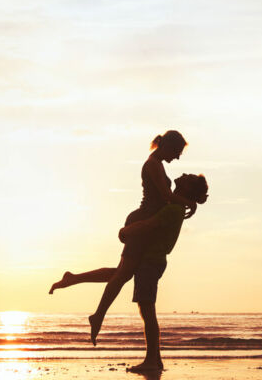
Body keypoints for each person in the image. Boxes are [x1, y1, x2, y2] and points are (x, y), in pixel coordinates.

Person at [48, 131, 197, 342]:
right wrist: (188, 202)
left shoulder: (158, 163)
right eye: (178, 151)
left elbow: (166, 199)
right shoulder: (153, 164)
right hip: (141, 222)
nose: (178, 157)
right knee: (121, 275)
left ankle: (74, 279)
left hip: (145, 225)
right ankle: (97, 315)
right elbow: (165, 196)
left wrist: (185, 203)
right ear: (168, 146)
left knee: (122, 272)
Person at [51, 174, 208, 373]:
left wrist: (126, 230)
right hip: (150, 260)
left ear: (187, 188)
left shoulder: (173, 209)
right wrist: (189, 203)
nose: (185, 174)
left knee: (148, 313)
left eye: (189, 178)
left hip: (151, 262)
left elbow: (148, 224)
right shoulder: (174, 205)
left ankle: (151, 360)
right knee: (120, 274)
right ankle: (156, 360)